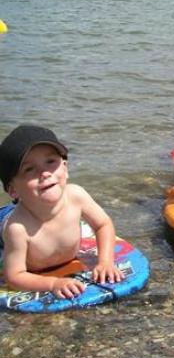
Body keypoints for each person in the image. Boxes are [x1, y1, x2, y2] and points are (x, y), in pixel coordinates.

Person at [0, 124, 122, 299]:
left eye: (50, 162)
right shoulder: (18, 228)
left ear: (65, 168)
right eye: (29, 169)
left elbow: (103, 224)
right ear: (13, 190)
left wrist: (105, 261)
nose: (44, 173)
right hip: (9, 218)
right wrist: (52, 283)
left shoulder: (76, 196)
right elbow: (14, 276)